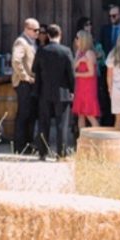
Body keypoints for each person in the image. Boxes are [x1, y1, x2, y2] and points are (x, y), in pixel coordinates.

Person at [34, 24, 76, 159]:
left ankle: (42, 153)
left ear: (48, 35)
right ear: (60, 34)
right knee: (61, 124)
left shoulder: (41, 51)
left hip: (44, 92)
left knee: (43, 123)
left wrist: (37, 90)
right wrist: (73, 90)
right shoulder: (66, 51)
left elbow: (36, 71)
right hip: (62, 93)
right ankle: (61, 154)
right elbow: (71, 74)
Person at [10, 19, 41, 153]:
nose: (37, 33)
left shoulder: (32, 42)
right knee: (24, 114)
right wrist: (25, 77)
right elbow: (16, 60)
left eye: (38, 30)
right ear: (27, 29)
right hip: (24, 84)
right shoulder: (21, 42)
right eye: (35, 30)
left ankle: (28, 144)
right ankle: (20, 146)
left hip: (31, 83)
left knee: (31, 114)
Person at [72, 27, 102, 128]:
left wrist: (77, 74)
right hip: (80, 86)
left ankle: (98, 139)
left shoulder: (89, 53)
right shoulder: (78, 52)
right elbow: (73, 67)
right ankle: (82, 140)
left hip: (88, 87)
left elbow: (91, 73)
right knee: (81, 114)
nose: (76, 39)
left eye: (77, 37)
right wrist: (79, 61)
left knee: (89, 114)